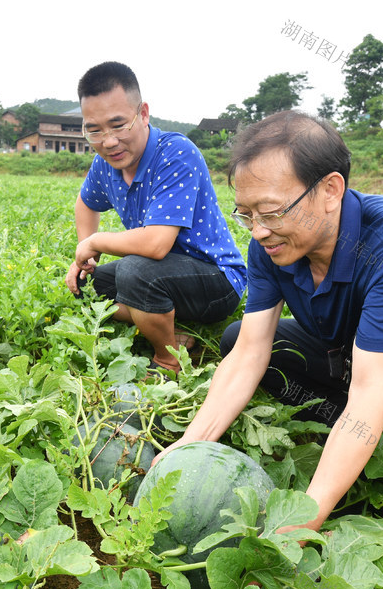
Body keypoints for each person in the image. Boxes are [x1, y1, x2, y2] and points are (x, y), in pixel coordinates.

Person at [154, 111, 383, 534]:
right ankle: (347, 427)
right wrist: (189, 444)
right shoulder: (270, 245)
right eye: (246, 215)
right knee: (235, 340)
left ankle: (380, 448)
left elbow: (374, 385)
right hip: (358, 354)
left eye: (271, 212)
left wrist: (305, 518)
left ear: (330, 190)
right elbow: (249, 352)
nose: (259, 231)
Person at [64, 61, 247, 372]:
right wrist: (85, 256)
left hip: (216, 280)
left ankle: (167, 358)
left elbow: (156, 244)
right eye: (94, 130)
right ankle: (172, 330)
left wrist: (95, 242)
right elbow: (85, 203)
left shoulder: (175, 153)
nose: (108, 141)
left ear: (143, 114)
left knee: (136, 272)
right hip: (161, 275)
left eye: (118, 125)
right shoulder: (105, 164)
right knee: (87, 284)